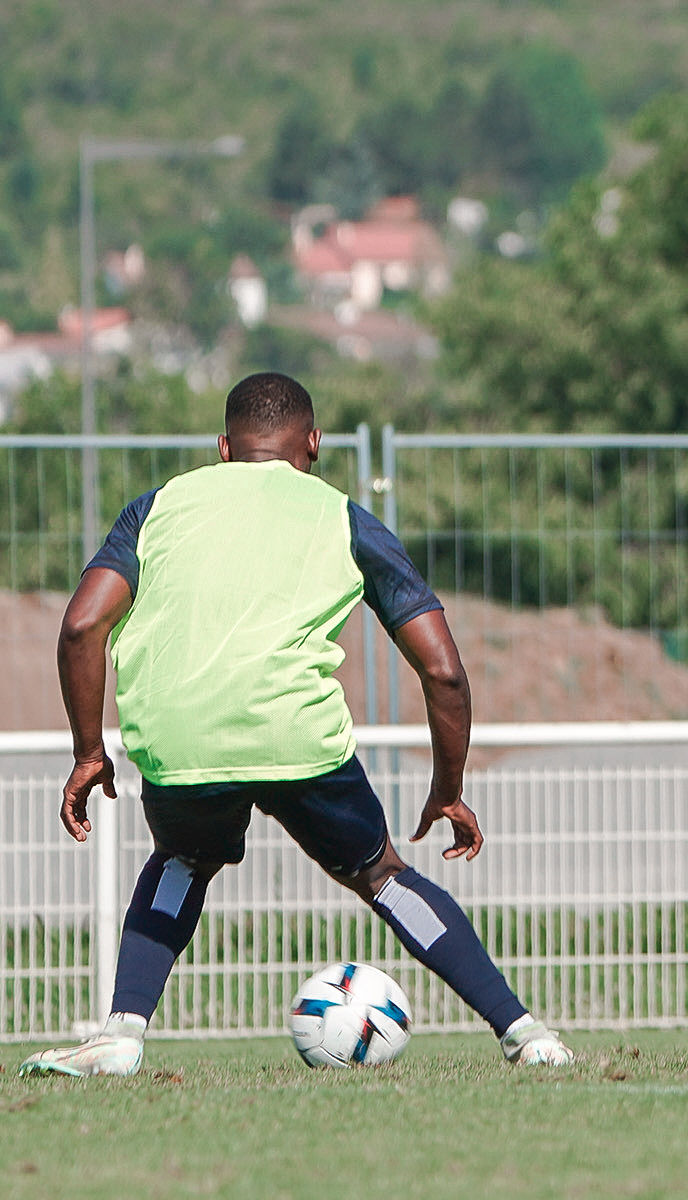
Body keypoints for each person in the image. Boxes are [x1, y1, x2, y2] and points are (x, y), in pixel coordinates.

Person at [21, 372, 572, 1076]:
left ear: (223, 448)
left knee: (184, 859)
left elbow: (79, 626)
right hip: (296, 734)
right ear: (314, 442)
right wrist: (448, 785)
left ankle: (122, 1034)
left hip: (180, 736)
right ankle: (526, 1035)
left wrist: (89, 750)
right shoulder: (342, 516)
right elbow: (444, 671)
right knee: (381, 874)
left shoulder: (157, 508)